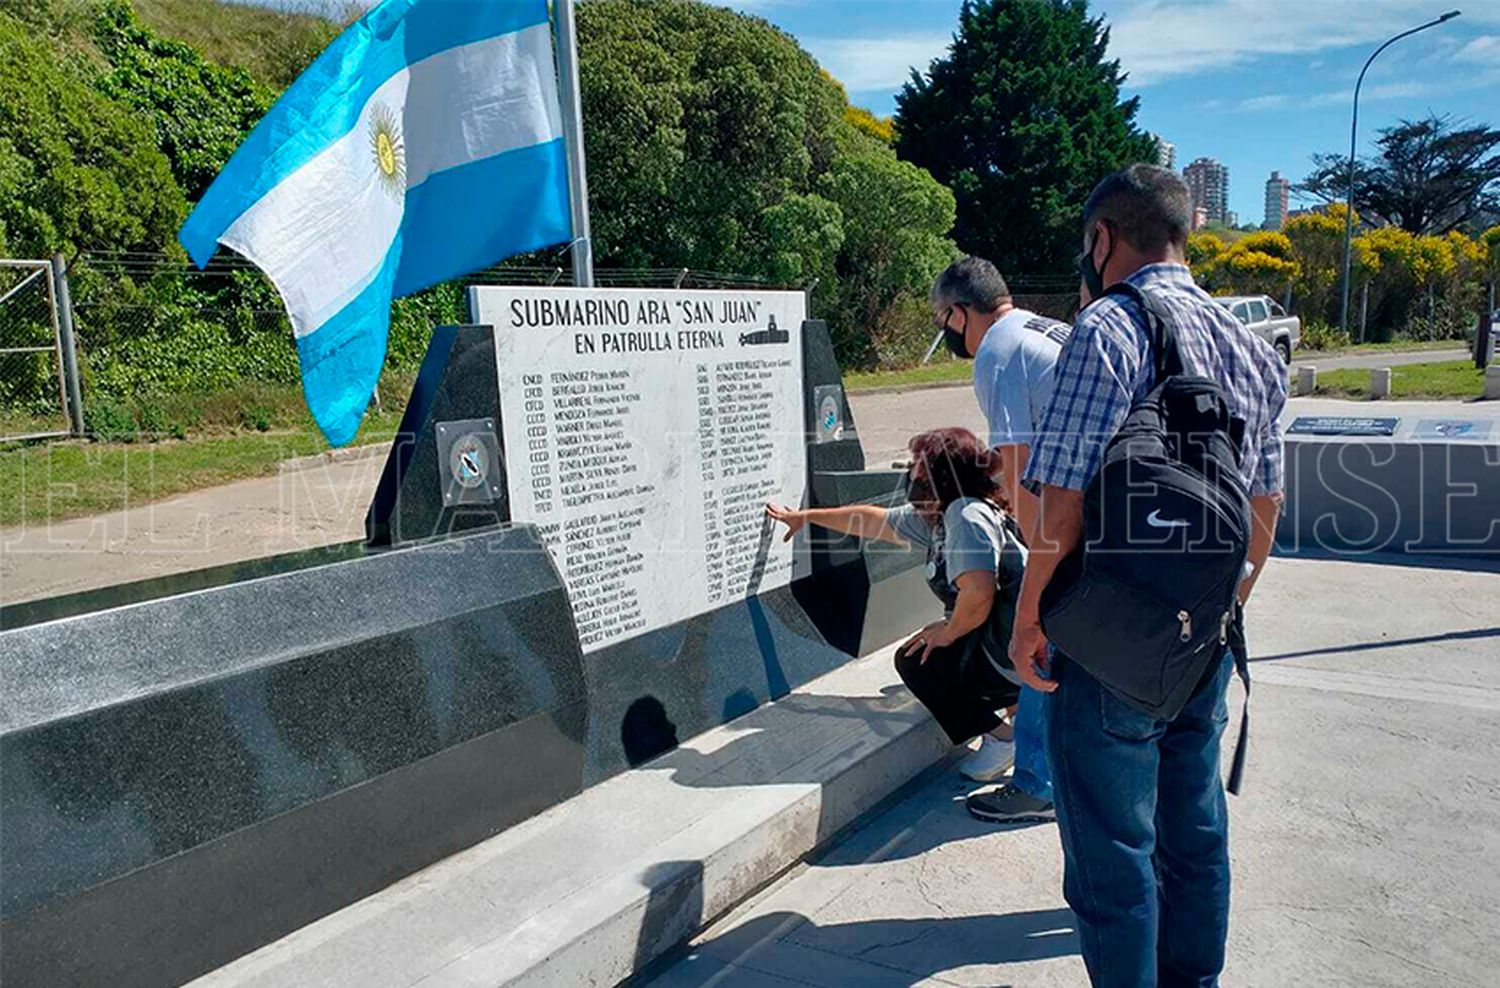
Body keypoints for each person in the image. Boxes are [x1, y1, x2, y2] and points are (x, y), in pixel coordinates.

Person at [1009, 163, 1287, 987]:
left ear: (1103, 239)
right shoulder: (1249, 342)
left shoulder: (1109, 329)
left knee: (1112, 861)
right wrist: (1213, 612)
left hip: (1105, 648)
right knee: (1195, 843)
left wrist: (1030, 623)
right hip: (1202, 642)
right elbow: (1262, 513)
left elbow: (1060, 512)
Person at [766, 427, 1026, 783]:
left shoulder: (965, 516)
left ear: (942, 476)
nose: (912, 475)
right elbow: (874, 520)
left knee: (918, 659)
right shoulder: (946, 513)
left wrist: (948, 632)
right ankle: (1022, 726)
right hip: (1011, 639)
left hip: (1012, 645)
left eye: (920, 467)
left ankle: (1002, 739)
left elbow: (979, 593)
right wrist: (807, 517)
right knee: (937, 646)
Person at [930, 256, 1068, 824]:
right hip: (1125, 507)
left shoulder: (997, 351)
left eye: (944, 321)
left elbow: (1017, 462)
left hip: (1077, 517)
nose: (947, 333)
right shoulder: (1045, 329)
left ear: (961, 313)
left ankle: (1036, 784)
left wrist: (1039, 566)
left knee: (1037, 642)